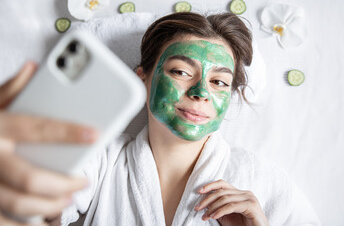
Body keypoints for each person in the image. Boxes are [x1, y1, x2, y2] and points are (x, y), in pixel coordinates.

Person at [0, 12, 321, 226]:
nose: (200, 92)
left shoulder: (262, 181)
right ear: (143, 77)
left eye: (219, 82)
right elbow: (40, 209)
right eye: (181, 72)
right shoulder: (100, 159)